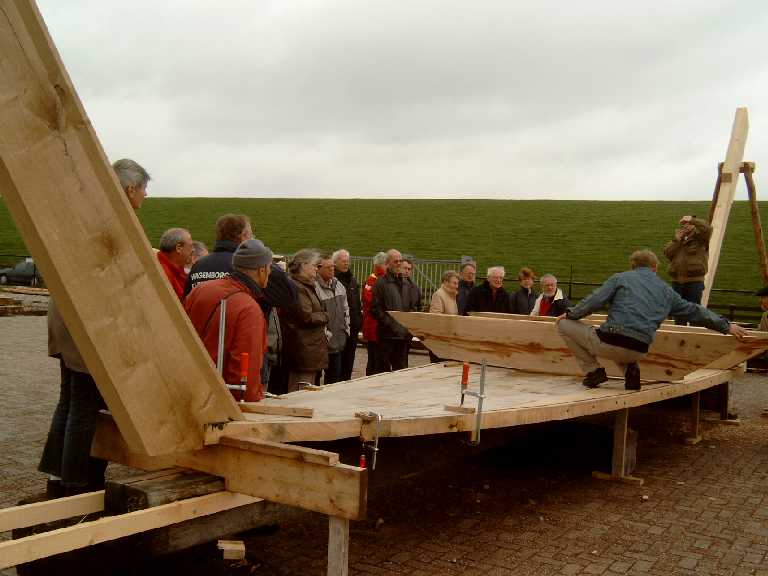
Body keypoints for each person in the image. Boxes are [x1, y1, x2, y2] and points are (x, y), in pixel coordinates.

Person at [40, 158, 151, 497]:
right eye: (144, 190)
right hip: (87, 325)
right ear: (129, 189)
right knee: (85, 404)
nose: (145, 198)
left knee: (71, 400)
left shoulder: (86, 214)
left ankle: (58, 474)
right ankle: (75, 483)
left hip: (67, 319)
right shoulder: (113, 222)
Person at [556, 249, 747, 390]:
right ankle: (631, 371)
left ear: (632, 266)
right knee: (630, 334)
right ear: (654, 268)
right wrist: (726, 326)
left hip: (610, 342)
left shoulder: (620, 278)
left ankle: (594, 371)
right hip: (638, 350)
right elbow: (695, 311)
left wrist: (572, 314)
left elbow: (594, 301)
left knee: (564, 324)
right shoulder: (667, 292)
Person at [184, 239, 272, 402]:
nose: (270, 272)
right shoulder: (249, 308)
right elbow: (245, 368)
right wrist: (248, 402)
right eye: (269, 268)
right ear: (261, 270)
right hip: (221, 402)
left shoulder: (201, 290)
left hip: (188, 388)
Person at [281, 250, 329, 391]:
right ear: (303, 265)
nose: (317, 268)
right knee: (300, 391)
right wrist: (326, 316)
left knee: (307, 389)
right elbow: (306, 316)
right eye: (315, 265)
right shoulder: (298, 287)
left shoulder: (306, 285)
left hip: (308, 349)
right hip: (303, 349)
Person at [185, 214, 252, 295]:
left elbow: (187, 300)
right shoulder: (245, 266)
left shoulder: (198, 266)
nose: (252, 239)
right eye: (250, 235)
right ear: (243, 236)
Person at [663, 215, 712, 323]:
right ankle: (680, 335)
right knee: (679, 312)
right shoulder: (677, 240)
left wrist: (692, 220)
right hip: (677, 282)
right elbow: (667, 253)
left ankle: (694, 335)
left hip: (694, 282)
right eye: (683, 224)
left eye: (688, 224)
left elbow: (707, 228)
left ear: (694, 226)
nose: (685, 226)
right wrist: (677, 241)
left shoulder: (701, 239)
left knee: (694, 311)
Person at [370, 249, 411, 373]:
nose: (399, 263)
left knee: (401, 371)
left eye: (400, 261)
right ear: (387, 263)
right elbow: (375, 309)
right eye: (395, 261)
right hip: (387, 336)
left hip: (402, 336)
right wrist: (392, 324)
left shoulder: (406, 283)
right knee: (383, 372)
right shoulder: (380, 283)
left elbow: (409, 306)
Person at [315, 254, 350, 384]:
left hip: (338, 341)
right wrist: (326, 336)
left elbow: (346, 309)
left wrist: (346, 329)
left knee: (334, 379)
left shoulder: (339, 285)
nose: (332, 270)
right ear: (318, 268)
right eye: (328, 267)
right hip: (322, 343)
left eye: (332, 267)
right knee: (316, 379)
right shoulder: (314, 287)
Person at [333, 249, 362, 381]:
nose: (346, 264)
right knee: (338, 363)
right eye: (343, 261)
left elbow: (357, 302)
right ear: (335, 262)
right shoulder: (334, 281)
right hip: (341, 328)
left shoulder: (352, 280)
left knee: (349, 361)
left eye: (347, 261)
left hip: (354, 327)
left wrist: (358, 321)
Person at [361, 252, 387, 375]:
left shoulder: (378, 278)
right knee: (375, 360)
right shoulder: (374, 279)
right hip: (374, 327)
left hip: (376, 326)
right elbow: (370, 301)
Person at [428, 270, 460, 363]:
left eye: (457, 283)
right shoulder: (439, 295)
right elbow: (435, 317)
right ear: (446, 282)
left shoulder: (452, 295)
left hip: (448, 338)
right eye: (454, 283)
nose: (457, 286)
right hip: (439, 339)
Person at [156, 228, 193, 301]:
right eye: (191, 246)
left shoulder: (174, 267)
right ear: (178, 248)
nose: (193, 250)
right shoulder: (163, 274)